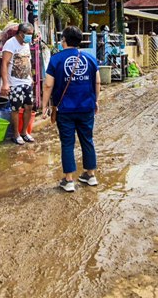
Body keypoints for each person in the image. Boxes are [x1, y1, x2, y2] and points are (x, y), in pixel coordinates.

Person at [42, 26, 100, 192]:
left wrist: (45, 105)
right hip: (86, 107)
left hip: (65, 109)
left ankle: (68, 180)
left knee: (67, 143)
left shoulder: (56, 59)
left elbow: (48, 85)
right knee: (87, 140)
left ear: (64, 41)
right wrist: (96, 100)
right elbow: (97, 82)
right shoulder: (90, 58)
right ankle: (90, 175)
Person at [0, 22, 35, 145]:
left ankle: (24, 132)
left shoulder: (26, 44)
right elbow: (4, 63)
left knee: (29, 107)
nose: (30, 36)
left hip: (27, 82)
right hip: (15, 83)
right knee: (16, 108)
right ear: (21, 33)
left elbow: (28, 62)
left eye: (31, 34)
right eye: (28, 34)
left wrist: (31, 77)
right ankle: (16, 134)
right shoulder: (10, 44)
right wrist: (5, 83)